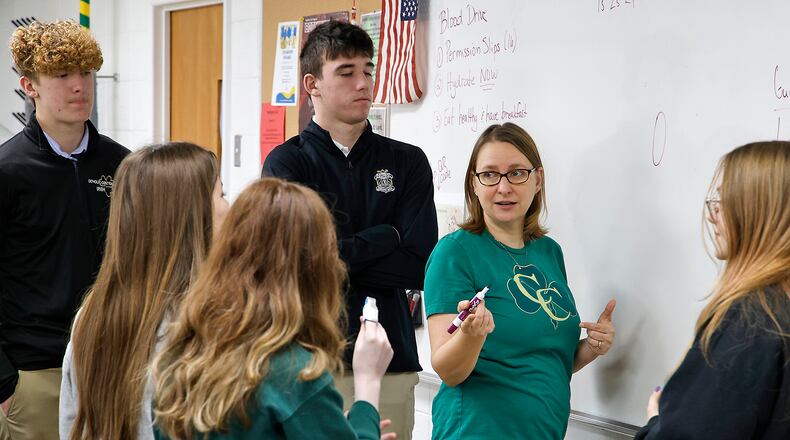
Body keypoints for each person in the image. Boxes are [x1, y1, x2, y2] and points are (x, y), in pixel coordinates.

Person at [262, 20, 437, 440]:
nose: (364, 83)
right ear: (312, 84)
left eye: (368, 70)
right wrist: (388, 234)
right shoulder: (287, 164)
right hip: (306, 362)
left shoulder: (408, 162)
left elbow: (417, 266)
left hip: (391, 359)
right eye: (346, 72)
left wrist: (336, 252)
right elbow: (298, 264)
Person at [152, 178, 394, 439]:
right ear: (315, 272)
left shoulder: (181, 357)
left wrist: (330, 424)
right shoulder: (295, 374)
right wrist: (368, 381)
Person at [424, 122, 617, 439]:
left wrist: (592, 348)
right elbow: (448, 369)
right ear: (473, 184)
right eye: (489, 175)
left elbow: (546, 360)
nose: (503, 187)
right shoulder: (455, 252)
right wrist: (471, 337)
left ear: (537, 179)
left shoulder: (549, 253)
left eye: (516, 173)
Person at [0, 20, 129, 440]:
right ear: (29, 85)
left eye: (86, 73)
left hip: (113, 364)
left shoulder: (122, 165)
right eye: (62, 75)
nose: (80, 86)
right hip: (36, 372)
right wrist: (5, 382)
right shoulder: (8, 171)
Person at [58, 143, 228, 440]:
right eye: (221, 194)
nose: (230, 206)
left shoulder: (93, 313)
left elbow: (72, 424)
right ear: (190, 215)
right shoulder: (202, 322)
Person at [635, 141, 790, 439]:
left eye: (726, 200)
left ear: (757, 212)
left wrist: (657, 423)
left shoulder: (751, 321)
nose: (712, 215)